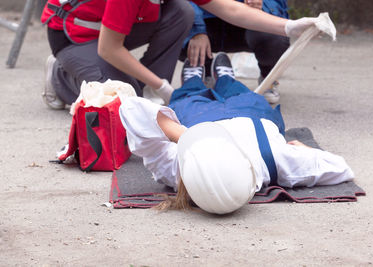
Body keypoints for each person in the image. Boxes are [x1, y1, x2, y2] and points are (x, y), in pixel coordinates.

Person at [119, 53, 354, 214]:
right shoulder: (277, 158)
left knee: (186, 96)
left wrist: (186, 136)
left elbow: (131, 109)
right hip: (251, 113)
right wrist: (306, 150)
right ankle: (226, 78)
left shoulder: (178, 173)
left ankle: (192, 79)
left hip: (196, 117)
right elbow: (341, 168)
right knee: (239, 90)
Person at [41, 0, 319, 110]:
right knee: (123, 102)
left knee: (181, 11)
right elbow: (109, 48)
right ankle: (61, 76)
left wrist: (289, 26)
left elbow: (230, 9)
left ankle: (145, 87)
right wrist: (165, 89)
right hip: (74, 35)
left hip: (112, 26)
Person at [180, 0, 290, 104]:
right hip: (206, 18)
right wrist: (197, 30)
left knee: (273, 33)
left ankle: (268, 76)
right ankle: (207, 73)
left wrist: (262, 6)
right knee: (176, 23)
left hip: (245, 20)